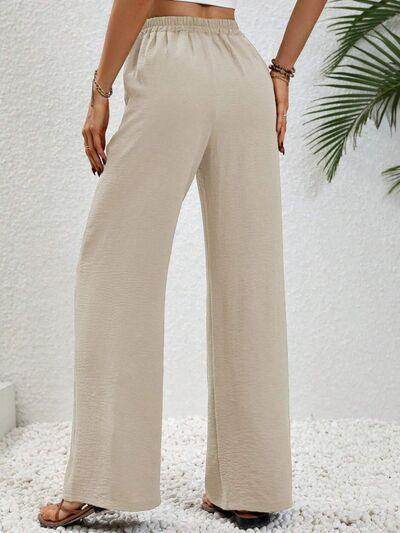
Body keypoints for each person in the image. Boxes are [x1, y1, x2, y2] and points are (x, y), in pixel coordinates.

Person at [38, 0, 327, 529]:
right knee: (251, 282)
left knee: (117, 269)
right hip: (243, 70)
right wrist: (282, 71)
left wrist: (100, 90)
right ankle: (251, 486)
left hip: (170, 62)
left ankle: (104, 480)